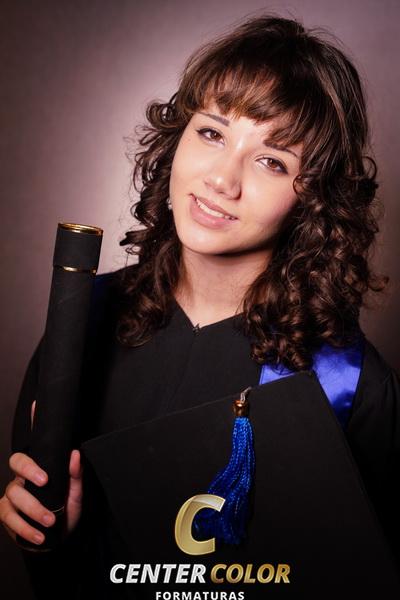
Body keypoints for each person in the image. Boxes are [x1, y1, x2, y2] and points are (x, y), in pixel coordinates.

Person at [1, 13, 400, 599]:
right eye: (212, 133)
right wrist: (51, 539)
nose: (221, 180)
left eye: (272, 161)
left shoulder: (347, 382)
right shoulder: (81, 322)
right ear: (177, 138)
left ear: (313, 199)